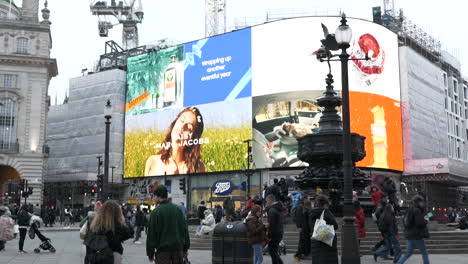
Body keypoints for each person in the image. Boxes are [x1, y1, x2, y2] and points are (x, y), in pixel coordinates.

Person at [145, 107, 205, 176]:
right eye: (182, 120)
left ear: (192, 139)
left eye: (189, 127)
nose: (182, 127)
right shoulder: (152, 161)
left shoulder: (198, 167)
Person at [147, 185, 190, 263]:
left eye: (154, 196)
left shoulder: (156, 212)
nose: (153, 198)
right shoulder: (178, 210)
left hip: (163, 253)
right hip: (178, 251)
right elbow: (184, 230)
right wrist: (185, 248)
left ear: (159, 196)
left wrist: (150, 253)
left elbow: (151, 235)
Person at [398, 195, 430, 264]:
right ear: (418, 202)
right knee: (424, 253)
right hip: (416, 235)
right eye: (422, 202)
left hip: (409, 234)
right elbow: (419, 223)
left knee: (408, 253)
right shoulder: (417, 210)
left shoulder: (410, 209)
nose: (423, 203)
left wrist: (426, 216)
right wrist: (426, 220)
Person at [309, 194, 339, 264]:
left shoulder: (312, 213)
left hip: (316, 243)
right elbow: (335, 226)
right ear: (325, 204)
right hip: (327, 244)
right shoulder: (326, 212)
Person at [265, 194, 284, 264]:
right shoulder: (279, 208)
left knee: (273, 252)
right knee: (274, 252)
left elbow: (271, 224)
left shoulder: (272, 210)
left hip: (274, 234)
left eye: (267, 201)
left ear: (270, 200)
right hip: (279, 232)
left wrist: (269, 234)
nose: (266, 203)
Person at [294, 195, 312, 261]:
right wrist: (299, 226)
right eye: (308, 198)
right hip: (303, 227)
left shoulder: (306, 206)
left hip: (307, 227)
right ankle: (298, 255)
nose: (309, 200)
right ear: (304, 199)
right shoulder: (300, 207)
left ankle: (302, 254)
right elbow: (298, 218)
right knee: (303, 241)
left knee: (305, 241)